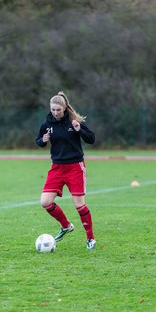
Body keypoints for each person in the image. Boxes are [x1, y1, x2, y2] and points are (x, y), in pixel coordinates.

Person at [35, 91, 96, 250]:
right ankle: (66, 226)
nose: (55, 113)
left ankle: (90, 239)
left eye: (58, 110)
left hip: (75, 167)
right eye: (53, 110)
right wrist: (43, 140)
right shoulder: (47, 123)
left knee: (79, 206)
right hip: (57, 167)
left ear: (64, 108)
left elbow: (91, 139)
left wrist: (79, 130)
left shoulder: (73, 121)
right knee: (45, 202)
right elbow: (39, 140)